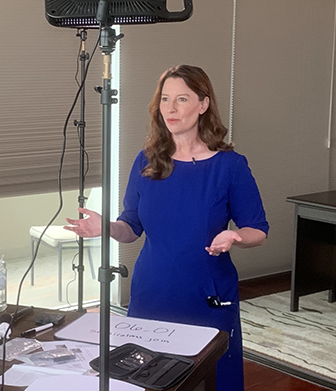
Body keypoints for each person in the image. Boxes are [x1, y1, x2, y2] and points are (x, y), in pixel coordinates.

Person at [65, 65, 268, 391]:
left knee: (209, 381)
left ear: (203, 104)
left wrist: (236, 235)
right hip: (151, 294)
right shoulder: (146, 161)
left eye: (182, 99)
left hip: (207, 296)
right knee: (145, 379)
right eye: (165, 99)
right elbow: (131, 226)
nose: (170, 109)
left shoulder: (229, 166)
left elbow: (258, 229)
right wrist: (107, 228)